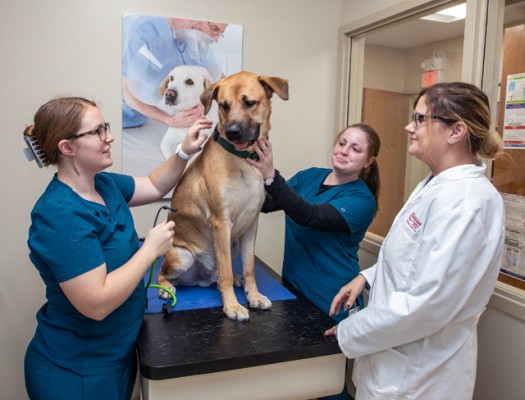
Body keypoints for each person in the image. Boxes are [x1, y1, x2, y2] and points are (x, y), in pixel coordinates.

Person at [325, 82, 505, 400]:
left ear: (456, 131)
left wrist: (348, 331)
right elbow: (415, 258)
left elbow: (427, 302)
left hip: (418, 379)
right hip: (394, 366)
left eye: (421, 118)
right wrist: (367, 277)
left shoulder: (465, 202)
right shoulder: (437, 184)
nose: (410, 126)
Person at [23, 96, 210, 399]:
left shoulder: (105, 185)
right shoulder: (59, 215)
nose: (108, 137)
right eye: (96, 132)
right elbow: (96, 303)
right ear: (67, 147)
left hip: (116, 360)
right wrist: (149, 250)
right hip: (75, 372)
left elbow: (154, 184)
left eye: (105, 127)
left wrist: (182, 151)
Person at [248, 123, 381, 399]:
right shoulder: (310, 176)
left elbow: (308, 215)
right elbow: (268, 203)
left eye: (355, 149)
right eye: (342, 143)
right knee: (299, 378)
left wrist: (272, 175)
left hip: (331, 300)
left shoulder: (361, 199)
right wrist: (246, 165)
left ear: (368, 161)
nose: (344, 151)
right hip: (296, 293)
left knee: (327, 382)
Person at [122, 15, 227, 128]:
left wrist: (206, 100)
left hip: (145, 118)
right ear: (198, 15)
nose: (216, 40)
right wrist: (169, 120)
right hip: (120, 114)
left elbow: (222, 81)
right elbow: (130, 94)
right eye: (215, 29)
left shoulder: (197, 39)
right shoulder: (142, 31)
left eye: (219, 33)